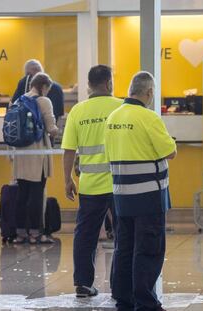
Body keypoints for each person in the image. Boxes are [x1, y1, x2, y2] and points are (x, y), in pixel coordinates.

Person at [105, 71, 177, 311]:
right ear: (148, 92)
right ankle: (146, 302)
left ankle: (123, 298)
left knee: (124, 248)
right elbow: (170, 151)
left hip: (121, 195)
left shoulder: (113, 117)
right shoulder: (149, 118)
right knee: (148, 249)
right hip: (148, 196)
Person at [61, 65, 122, 297]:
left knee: (85, 236)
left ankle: (83, 284)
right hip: (119, 185)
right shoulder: (121, 107)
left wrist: (67, 180)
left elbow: (68, 150)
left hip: (89, 185)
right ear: (108, 83)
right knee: (122, 236)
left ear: (89, 84)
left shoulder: (78, 111)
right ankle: (119, 285)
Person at [12, 72, 58, 244]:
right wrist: (56, 131)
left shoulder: (19, 100)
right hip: (38, 153)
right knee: (37, 194)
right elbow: (51, 128)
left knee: (22, 194)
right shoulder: (44, 101)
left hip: (21, 154)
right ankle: (36, 233)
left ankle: (20, 233)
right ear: (44, 86)